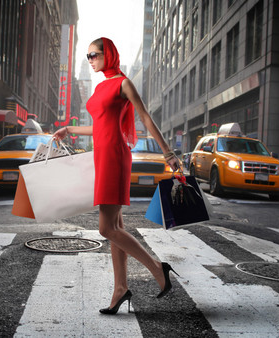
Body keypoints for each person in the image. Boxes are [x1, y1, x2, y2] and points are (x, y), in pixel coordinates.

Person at [53, 37, 181, 315]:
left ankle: (157, 269)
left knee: (106, 228)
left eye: (94, 54)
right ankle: (120, 289)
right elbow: (100, 127)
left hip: (114, 156)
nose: (90, 60)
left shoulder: (124, 83)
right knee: (116, 226)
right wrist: (70, 130)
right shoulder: (100, 86)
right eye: (87, 56)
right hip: (101, 156)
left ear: (108, 54)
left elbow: (145, 117)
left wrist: (168, 153)